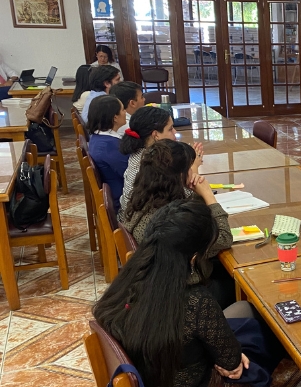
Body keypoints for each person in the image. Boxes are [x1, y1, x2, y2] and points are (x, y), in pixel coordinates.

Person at [93, 199, 275, 387]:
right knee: (261, 357)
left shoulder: (123, 287)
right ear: (192, 258)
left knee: (241, 317)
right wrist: (235, 361)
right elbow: (232, 363)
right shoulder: (194, 301)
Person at [122, 140, 231, 307]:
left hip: (161, 286)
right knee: (238, 278)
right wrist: (209, 195)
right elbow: (223, 237)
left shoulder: (142, 200)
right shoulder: (173, 220)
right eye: (189, 168)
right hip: (188, 295)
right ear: (179, 175)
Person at [118, 107, 202, 219]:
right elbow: (185, 198)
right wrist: (192, 168)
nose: (175, 132)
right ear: (156, 135)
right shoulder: (153, 163)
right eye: (170, 129)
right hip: (151, 226)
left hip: (133, 219)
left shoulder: (140, 153)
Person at [86, 95, 129, 212]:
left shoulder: (97, 138)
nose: (125, 112)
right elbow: (132, 175)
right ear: (115, 117)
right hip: (121, 200)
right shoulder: (109, 146)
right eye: (123, 109)